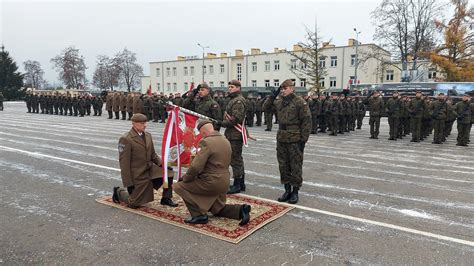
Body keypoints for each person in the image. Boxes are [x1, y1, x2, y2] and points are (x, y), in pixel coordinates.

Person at [173, 119, 251, 225]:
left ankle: (199, 215)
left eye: (201, 133)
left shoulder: (206, 142)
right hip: (224, 180)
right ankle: (240, 210)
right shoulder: (225, 140)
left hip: (211, 181)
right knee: (217, 209)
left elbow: (196, 167)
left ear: (203, 132)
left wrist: (186, 178)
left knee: (179, 186)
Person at [112, 113, 178, 208]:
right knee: (134, 203)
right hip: (138, 174)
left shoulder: (147, 135)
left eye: (145, 123)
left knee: (169, 173)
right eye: (142, 123)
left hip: (149, 169)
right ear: (134, 124)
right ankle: (119, 192)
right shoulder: (126, 139)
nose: (145, 125)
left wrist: (162, 165)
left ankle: (166, 198)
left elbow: (153, 154)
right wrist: (129, 183)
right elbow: (124, 163)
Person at [263, 79, 311, 204]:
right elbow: (265, 108)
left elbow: (307, 121)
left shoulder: (299, 102)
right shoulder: (279, 102)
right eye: (282, 89)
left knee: (295, 165)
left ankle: (295, 192)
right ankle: (287, 190)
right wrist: (271, 97)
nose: (283, 91)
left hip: (295, 138)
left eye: (285, 88)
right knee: (283, 165)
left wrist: (303, 140)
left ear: (292, 88)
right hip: (282, 137)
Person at [219, 80, 247, 194]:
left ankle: (237, 184)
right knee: (236, 159)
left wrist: (220, 123)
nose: (229, 88)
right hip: (231, 133)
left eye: (232, 87)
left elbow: (235, 120)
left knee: (235, 160)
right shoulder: (233, 100)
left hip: (235, 134)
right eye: (229, 86)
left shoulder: (238, 101)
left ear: (238, 88)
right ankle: (241, 183)